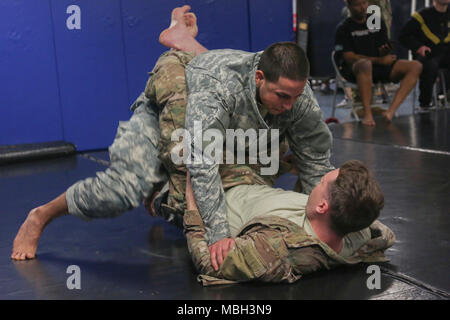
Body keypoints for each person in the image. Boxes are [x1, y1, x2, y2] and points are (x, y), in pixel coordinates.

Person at [12, 6, 334, 271]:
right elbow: (201, 164)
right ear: (261, 78)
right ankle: (41, 215)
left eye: (295, 96)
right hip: (166, 107)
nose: (290, 104)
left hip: (220, 109)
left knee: (260, 170)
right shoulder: (218, 87)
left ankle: (181, 40)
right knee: (125, 189)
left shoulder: (295, 95)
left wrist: (318, 223)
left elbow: (315, 159)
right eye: (282, 96)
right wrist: (219, 237)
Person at [184, 160, 395, 285]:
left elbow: (207, 262)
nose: (317, 183)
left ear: (322, 206)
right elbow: (378, 226)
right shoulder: (360, 233)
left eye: (321, 183)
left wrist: (192, 202)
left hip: (216, 192)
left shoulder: (273, 249)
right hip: (249, 179)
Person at [335, 0, 422, 126]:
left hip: (378, 66)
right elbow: (349, 57)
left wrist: (384, 51)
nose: (362, 8)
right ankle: (367, 114)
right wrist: (380, 60)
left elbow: (381, 47)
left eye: (364, 3)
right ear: (349, 6)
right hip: (355, 69)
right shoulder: (344, 28)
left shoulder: (374, 20)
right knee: (365, 64)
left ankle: (390, 112)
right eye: (358, 5)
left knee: (415, 66)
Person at [399, 0, 450, 111]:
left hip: (446, 53)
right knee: (430, 65)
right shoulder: (422, 16)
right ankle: (425, 103)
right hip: (428, 54)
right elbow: (403, 36)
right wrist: (418, 47)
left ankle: (445, 95)